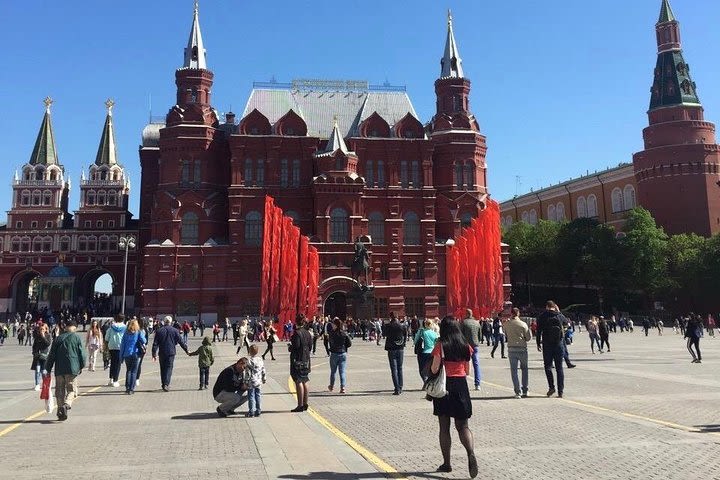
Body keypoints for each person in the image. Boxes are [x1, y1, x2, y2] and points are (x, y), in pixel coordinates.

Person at [429, 316, 477, 478]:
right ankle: (470, 452)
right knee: (463, 426)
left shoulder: (440, 345)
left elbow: (435, 369)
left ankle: (447, 464)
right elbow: (468, 371)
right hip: (461, 386)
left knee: (444, 427)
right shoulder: (465, 346)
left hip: (444, 387)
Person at [43, 319, 86, 421]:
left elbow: (51, 356)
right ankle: (66, 405)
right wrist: (81, 366)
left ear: (66, 327)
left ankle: (60, 411)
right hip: (72, 369)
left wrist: (47, 369)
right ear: (75, 328)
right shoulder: (77, 338)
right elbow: (82, 355)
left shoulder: (58, 339)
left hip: (59, 370)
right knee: (72, 390)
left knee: (59, 391)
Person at [536, 300, 567, 398]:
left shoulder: (543, 316)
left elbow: (538, 331)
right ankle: (560, 391)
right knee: (559, 368)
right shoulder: (559, 316)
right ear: (555, 306)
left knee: (548, 367)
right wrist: (559, 312)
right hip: (559, 344)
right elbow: (566, 325)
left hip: (547, 344)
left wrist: (538, 343)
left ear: (546, 307)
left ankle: (551, 387)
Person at [151, 315, 189, 391]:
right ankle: (166, 384)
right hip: (171, 352)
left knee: (162, 368)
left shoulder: (159, 331)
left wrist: (154, 354)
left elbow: (155, 344)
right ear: (171, 322)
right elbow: (181, 341)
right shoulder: (175, 331)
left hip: (162, 352)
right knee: (169, 368)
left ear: (164, 322)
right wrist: (186, 350)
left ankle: (163, 384)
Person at [505, 308, 532, 398]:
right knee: (524, 369)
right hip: (522, 349)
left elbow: (506, 334)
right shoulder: (523, 324)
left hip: (511, 349)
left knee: (514, 371)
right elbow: (528, 338)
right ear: (518, 313)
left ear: (511, 314)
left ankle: (517, 391)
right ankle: (525, 390)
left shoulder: (507, 324)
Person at [289, 315, 313, 412]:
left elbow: (296, 346)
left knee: (298, 381)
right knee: (305, 380)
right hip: (306, 359)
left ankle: (300, 405)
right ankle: (305, 403)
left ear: (296, 322)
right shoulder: (308, 333)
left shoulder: (297, 333)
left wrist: (290, 347)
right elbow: (310, 347)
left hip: (298, 360)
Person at [119, 319, 146, 394]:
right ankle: (131, 389)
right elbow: (144, 341)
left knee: (128, 370)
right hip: (135, 353)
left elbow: (122, 345)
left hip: (127, 354)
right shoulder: (138, 332)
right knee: (134, 371)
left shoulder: (126, 333)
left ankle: (127, 387)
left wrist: (121, 357)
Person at [384, 312, 407, 395]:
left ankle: (397, 389)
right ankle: (400, 386)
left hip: (391, 349)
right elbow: (406, 335)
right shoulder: (402, 326)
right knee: (400, 368)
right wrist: (403, 344)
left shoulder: (389, 326)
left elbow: (384, 334)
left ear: (391, 317)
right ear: (397, 317)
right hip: (400, 348)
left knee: (394, 369)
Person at [328, 318, 352, 393]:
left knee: (333, 371)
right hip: (342, 353)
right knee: (342, 372)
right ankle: (343, 387)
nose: (332, 325)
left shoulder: (332, 333)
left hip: (334, 353)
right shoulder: (344, 333)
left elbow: (330, 342)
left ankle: (331, 386)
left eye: (333, 324)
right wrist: (344, 347)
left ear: (335, 325)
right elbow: (349, 343)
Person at [460, 309, 481, 390]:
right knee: (476, 364)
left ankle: (463, 383)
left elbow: (460, 335)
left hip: (466, 345)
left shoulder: (464, 323)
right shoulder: (477, 323)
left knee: (463, 363)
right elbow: (480, 336)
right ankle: (477, 384)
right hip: (475, 345)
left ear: (466, 314)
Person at [415, 318, 439, 383]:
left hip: (422, 353)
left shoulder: (421, 332)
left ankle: (425, 381)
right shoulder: (434, 333)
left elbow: (415, 341)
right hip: (432, 352)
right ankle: (430, 382)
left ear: (425, 324)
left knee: (422, 369)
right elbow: (437, 343)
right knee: (431, 369)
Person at [245, 344, 266, 417]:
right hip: (258, 381)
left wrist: (246, 381)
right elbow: (263, 369)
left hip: (251, 381)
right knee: (258, 395)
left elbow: (247, 373)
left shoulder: (249, 361)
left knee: (251, 396)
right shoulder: (260, 360)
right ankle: (258, 410)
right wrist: (264, 378)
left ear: (249, 351)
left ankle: (251, 411)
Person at [105, 316, 127, 387]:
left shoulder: (111, 327)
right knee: (118, 364)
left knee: (113, 363)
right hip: (120, 347)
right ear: (123, 319)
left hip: (111, 346)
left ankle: (111, 379)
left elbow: (106, 338)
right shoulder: (125, 328)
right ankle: (115, 380)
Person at [31, 323, 52, 391]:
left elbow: (47, 344)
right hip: (37, 356)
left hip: (44, 356)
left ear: (46, 329)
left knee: (43, 371)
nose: (41, 331)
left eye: (43, 329)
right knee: (37, 371)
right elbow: (34, 346)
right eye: (40, 329)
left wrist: (43, 337)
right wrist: (34, 353)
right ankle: (37, 384)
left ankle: (45, 384)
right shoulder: (37, 336)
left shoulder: (48, 336)